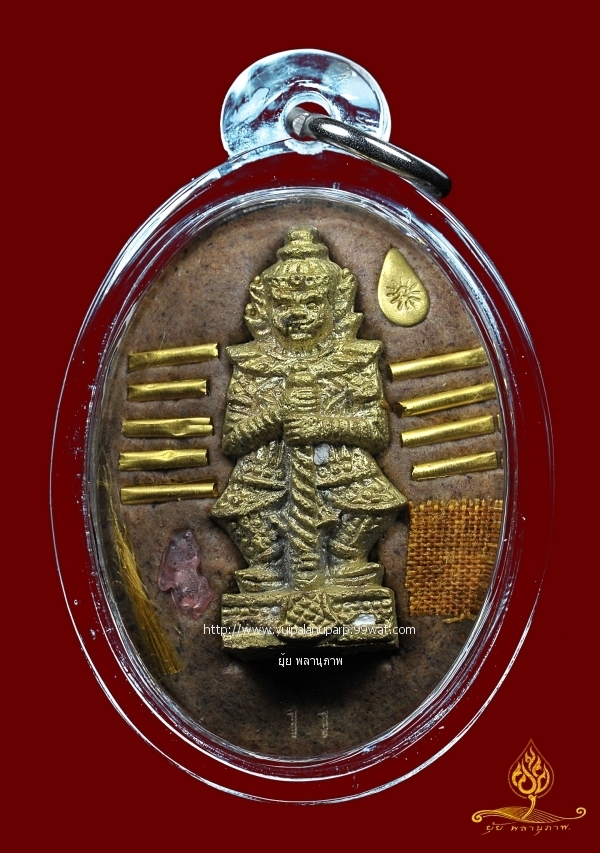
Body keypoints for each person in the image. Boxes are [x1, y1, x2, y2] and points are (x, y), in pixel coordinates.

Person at [211, 226, 406, 593]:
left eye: (311, 303)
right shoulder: (253, 363)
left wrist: (322, 425)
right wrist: (276, 417)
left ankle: (345, 561)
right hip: (265, 473)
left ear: (335, 306)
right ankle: (270, 566)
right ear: (266, 309)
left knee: (375, 506)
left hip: (340, 467)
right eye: (284, 305)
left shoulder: (353, 359)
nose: (296, 314)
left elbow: (376, 432)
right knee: (241, 514)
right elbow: (233, 440)